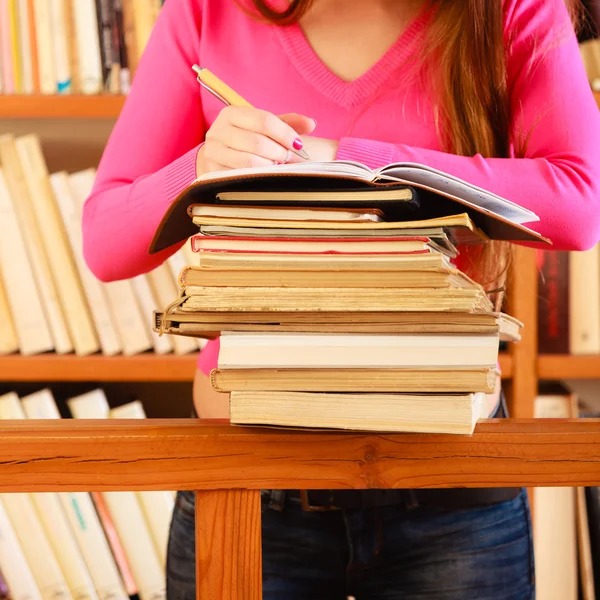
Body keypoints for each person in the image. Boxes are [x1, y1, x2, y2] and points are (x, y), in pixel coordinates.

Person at [82, 0, 600, 597]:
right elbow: (105, 241)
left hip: (446, 485)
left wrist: (351, 161)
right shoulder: (205, 11)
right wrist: (199, 168)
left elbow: (581, 201)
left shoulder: (515, 10)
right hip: (247, 479)